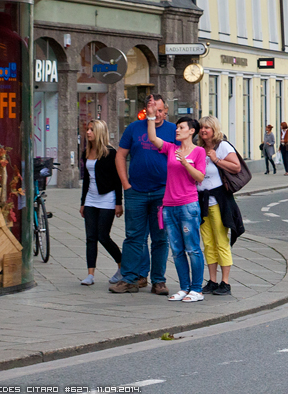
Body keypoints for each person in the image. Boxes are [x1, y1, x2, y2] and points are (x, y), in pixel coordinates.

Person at [110, 94, 177, 295]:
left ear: (165, 111)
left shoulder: (173, 130)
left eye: (159, 110)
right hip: (136, 191)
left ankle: (159, 281)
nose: (156, 114)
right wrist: (125, 184)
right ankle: (130, 278)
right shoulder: (134, 128)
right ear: (145, 110)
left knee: (160, 238)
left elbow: (182, 157)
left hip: (162, 191)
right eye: (152, 109)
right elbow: (120, 155)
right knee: (134, 237)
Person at [147, 114, 207, 302]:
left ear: (191, 131)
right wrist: (150, 117)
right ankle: (184, 288)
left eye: (181, 127)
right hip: (169, 206)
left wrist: (184, 162)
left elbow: (200, 177)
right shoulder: (171, 148)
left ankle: (196, 289)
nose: (177, 130)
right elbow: (153, 138)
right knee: (177, 250)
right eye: (177, 127)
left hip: (188, 205)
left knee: (193, 248)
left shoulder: (198, 152)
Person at [197, 116, 244, 295]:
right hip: (203, 200)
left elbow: (236, 167)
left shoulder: (222, 146)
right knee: (208, 243)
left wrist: (216, 160)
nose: (203, 131)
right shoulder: (200, 148)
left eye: (207, 128)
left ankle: (225, 282)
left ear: (214, 129)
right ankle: (212, 281)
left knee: (221, 241)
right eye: (201, 128)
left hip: (219, 200)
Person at [79, 119, 123, 286]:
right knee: (90, 237)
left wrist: (119, 203)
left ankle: (122, 265)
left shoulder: (111, 153)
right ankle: (90, 274)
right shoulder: (86, 152)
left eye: (91, 129)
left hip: (107, 198)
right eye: (88, 129)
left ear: (99, 132)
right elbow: (87, 179)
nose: (88, 132)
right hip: (91, 198)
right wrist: (83, 202)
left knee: (103, 236)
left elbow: (117, 179)